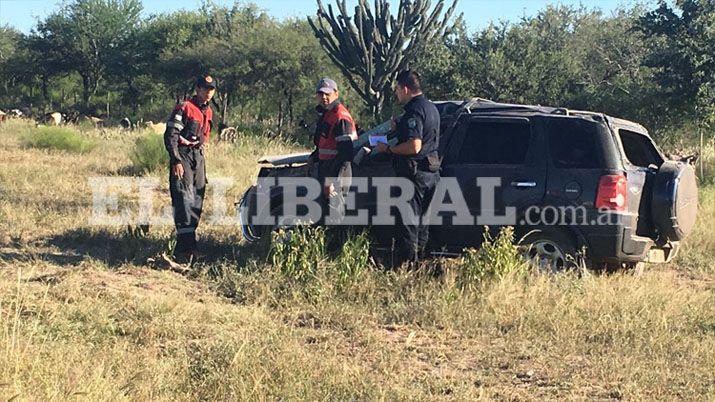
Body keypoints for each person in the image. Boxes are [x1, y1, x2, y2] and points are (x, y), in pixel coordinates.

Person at [375, 70, 441, 264]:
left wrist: (388, 149)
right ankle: (420, 265)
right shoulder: (431, 108)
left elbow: (415, 145)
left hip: (415, 175)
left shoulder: (414, 110)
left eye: (397, 89)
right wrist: (400, 127)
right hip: (431, 172)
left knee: (409, 224)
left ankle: (407, 267)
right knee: (423, 225)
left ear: (405, 88)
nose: (396, 94)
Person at [164, 75, 216, 262]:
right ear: (197, 89)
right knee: (183, 200)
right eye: (205, 88)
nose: (208, 92)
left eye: (211, 89)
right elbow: (171, 135)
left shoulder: (208, 111)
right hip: (183, 156)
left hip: (198, 158)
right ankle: (186, 249)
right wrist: (176, 160)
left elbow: (205, 137)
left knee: (197, 201)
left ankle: (187, 246)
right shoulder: (184, 107)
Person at [308, 77, 358, 220]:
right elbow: (326, 144)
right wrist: (314, 157)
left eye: (327, 94)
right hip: (326, 169)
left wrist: (332, 182)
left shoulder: (340, 116)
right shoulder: (327, 114)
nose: (324, 97)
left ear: (336, 94)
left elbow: (345, 156)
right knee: (325, 215)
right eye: (321, 94)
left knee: (334, 215)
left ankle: (336, 242)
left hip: (336, 174)